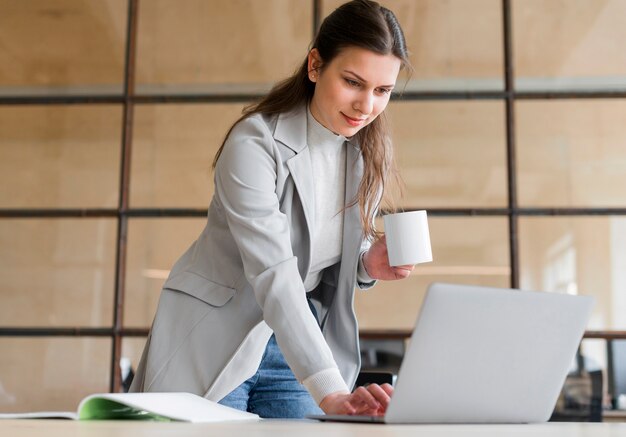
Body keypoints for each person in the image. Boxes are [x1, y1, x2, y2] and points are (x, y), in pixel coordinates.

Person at [130, 0, 414, 419]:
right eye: (353, 82)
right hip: (215, 337)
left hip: (291, 344)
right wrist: (331, 389)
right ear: (315, 65)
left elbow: (319, 258)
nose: (366, 106)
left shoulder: (370, 150)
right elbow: (274, 270)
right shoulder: (254, 143)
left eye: (382, 90)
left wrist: (365, 264)